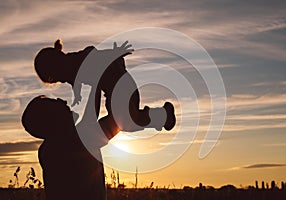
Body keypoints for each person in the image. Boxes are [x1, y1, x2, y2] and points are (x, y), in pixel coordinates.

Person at [34, 39, 176, 135]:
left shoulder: (78, 63)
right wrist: (77, 95)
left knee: (127, 122)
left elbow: (96, 58)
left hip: (120, 85)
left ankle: (161, 116)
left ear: (54, 71)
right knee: (128, 122)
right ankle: (161, 116)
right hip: (117, 88)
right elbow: (75, 83)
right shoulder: (69, 70)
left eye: (55, 80)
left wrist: (115, 54)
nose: (60, 81)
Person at [22, 95, 108, 200]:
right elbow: (119, 120)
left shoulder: (52, 147)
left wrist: (96, 84)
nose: (62, 100)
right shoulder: (72, 143)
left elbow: (91, 115)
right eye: (54, 103)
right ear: (53, 117)